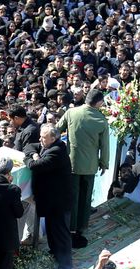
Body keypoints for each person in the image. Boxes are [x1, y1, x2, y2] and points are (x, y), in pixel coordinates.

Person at [56, 89, 110, 246]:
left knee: (72, 197)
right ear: (99, 102)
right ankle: (81, 227)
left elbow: (56, 130)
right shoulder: (101, 120)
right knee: (85, 199)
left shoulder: (71, 112)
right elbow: (104, 146)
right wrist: (104, 163)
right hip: (90, 166)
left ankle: (70, 227)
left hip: (72, 163)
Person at [29, 124, 75, 269]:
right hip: (52, 200)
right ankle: (55, 254)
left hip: (59, 202)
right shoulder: (48, 145)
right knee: (52, 231)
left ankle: (65, 266)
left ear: (53, 138)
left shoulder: (56, 151)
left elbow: (35, 165)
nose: (40, 139)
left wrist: (32, 158)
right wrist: (34, 154)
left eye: (43, 137)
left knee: (60, 233)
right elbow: (30, 146)